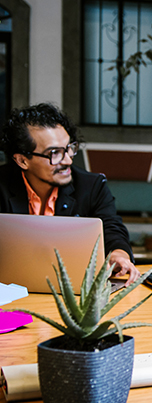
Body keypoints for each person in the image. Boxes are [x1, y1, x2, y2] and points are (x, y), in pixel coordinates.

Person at [0, 103, 139, 281]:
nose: (67, 161)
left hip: (74, 288)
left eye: (69, 149)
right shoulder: (2, 186)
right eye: (54, 153)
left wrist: (119, 255)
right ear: (22, 160)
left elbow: (112, 229)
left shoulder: (92, 186)